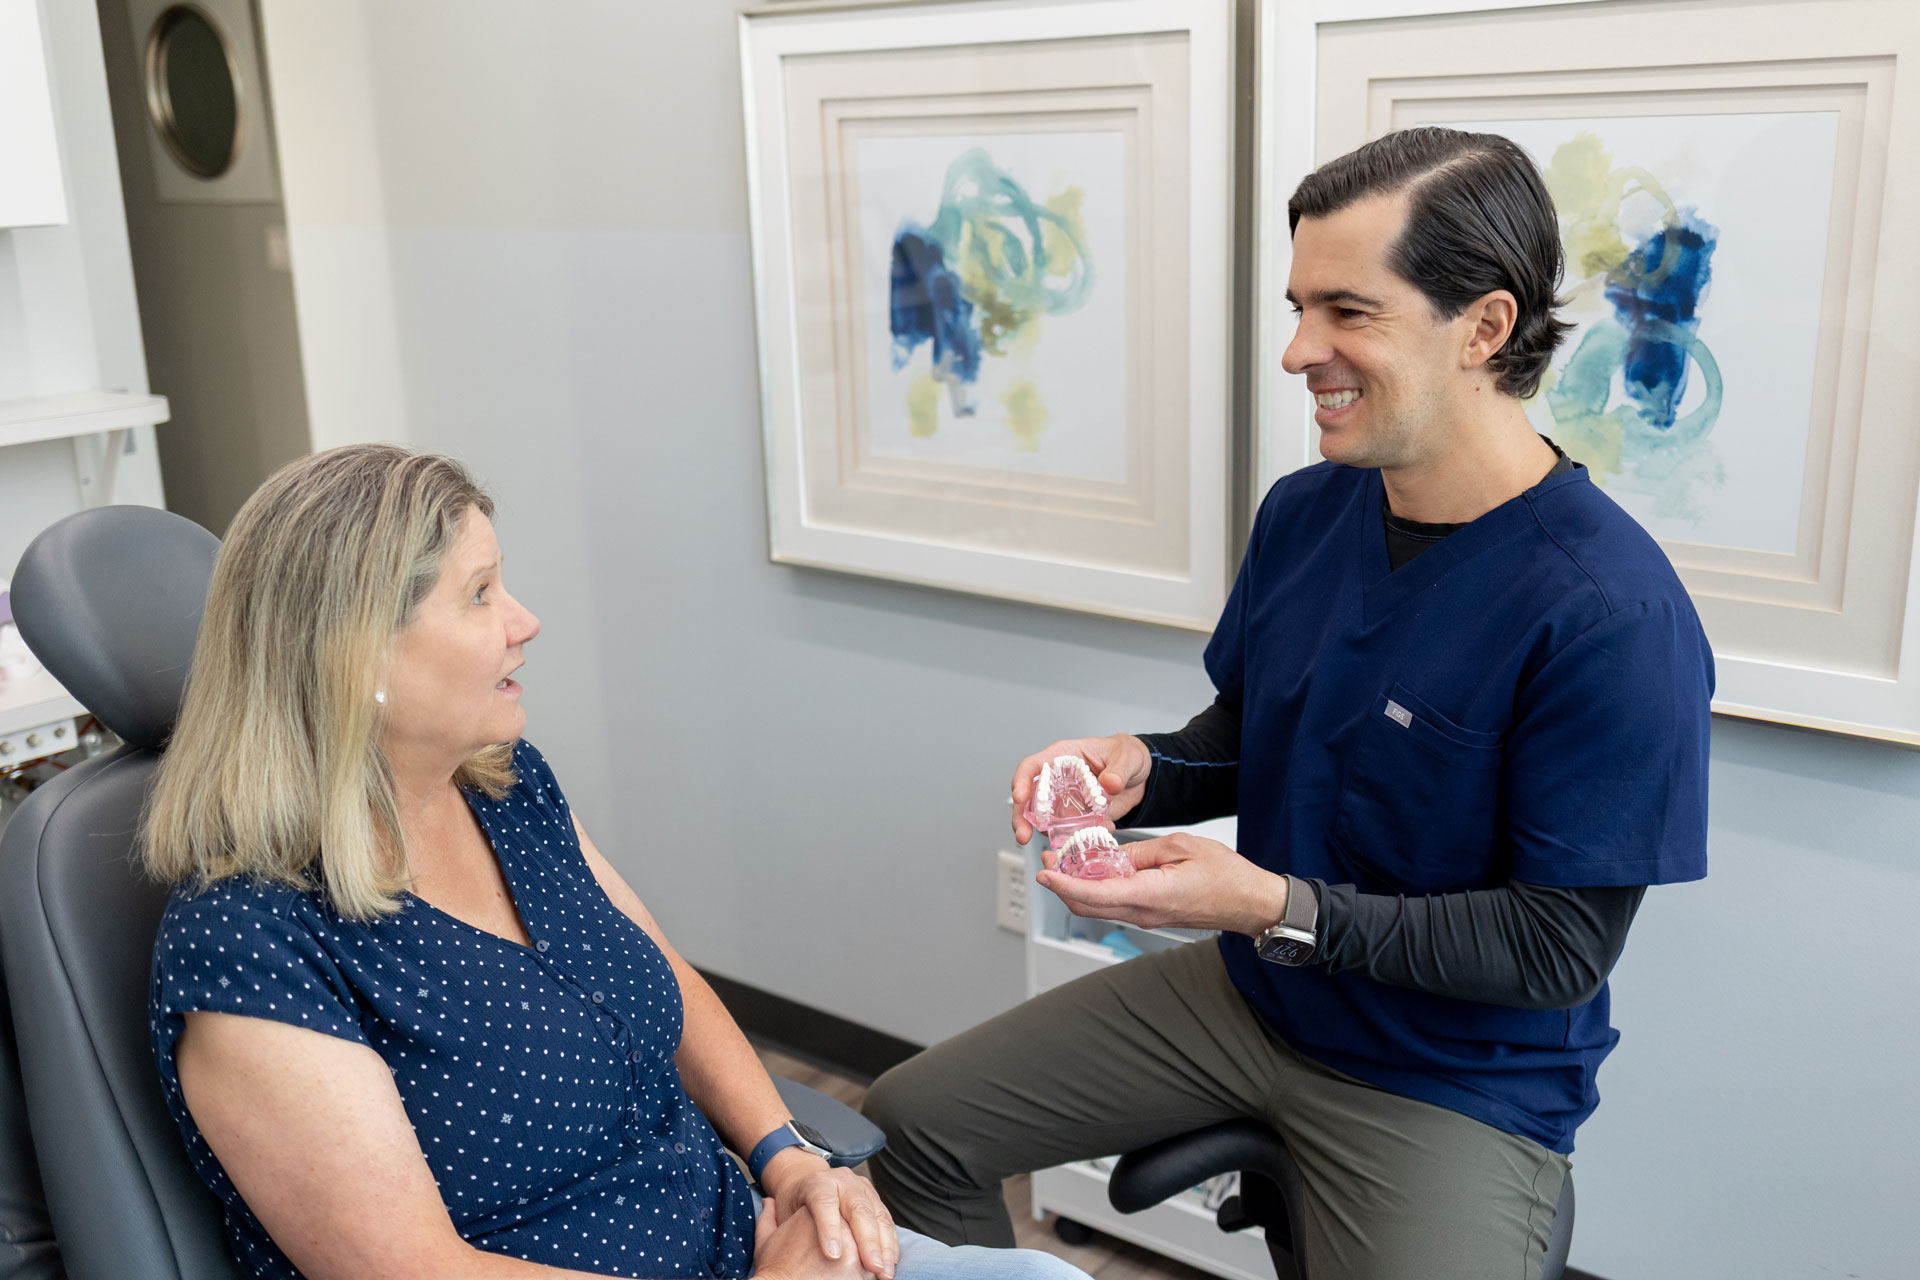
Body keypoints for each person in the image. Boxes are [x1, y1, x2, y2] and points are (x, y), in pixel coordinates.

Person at [862, 127, 1713, 1280]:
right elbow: (1252, 737)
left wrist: (1271, 904)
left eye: (1346, 311)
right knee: (910, 1128)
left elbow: (1555, 947)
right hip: (1255, 994)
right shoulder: (1307, 512)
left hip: (1450, 1076)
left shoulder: (1611, 611)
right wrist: (1143, 769)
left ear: (1484, 327)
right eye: (1300, 306)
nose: (1298, 349)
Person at [143, 445, 1090, 1280]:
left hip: (742, 1239)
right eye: (480, 595)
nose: (525, 621)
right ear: (356, 657)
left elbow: (659, 970)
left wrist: (788, 1156)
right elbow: (417, 1269)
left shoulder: (506, 787)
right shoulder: (249, 944)